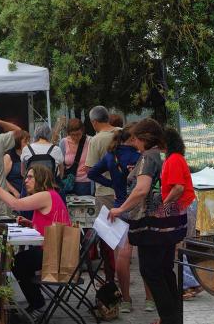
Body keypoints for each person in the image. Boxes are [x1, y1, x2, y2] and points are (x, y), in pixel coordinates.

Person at [108, 119, 190, 324]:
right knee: (164, 268)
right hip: (172, 219)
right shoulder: (166, 154)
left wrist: (121, 208)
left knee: (150, 270)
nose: (134, 143)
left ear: (145, 138)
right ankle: (174, 317)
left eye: (136, 139)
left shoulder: (148, 157)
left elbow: (142, 189)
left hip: (153, 223)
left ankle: (170, 318)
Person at [0, 164, 71, 319]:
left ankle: (38, 305)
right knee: (20, 262)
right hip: (54, 250)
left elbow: (16, 204)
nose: (25, 181)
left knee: (18, 263)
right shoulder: (48, 195)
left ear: (41, 178)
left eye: (30, 177)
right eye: (26, 177)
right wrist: (29, 223)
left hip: (56, 254)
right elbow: (47, 225)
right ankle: (35, 303)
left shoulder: (46, 195)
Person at [87, 126, 140, 312]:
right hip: (142, 207)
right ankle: (150, 300)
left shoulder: (112, 155)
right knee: (147, 254)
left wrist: (111, 183)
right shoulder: (140, 155)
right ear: (132, 138)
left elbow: (91, 173)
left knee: (121, 254)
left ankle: (125, 299)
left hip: (119, 205)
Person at [84, 106, 120, 209]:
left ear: (94, 122)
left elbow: (89, 169)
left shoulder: (96, 140)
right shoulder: (123, 132)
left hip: (105, 192)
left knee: (106, 224)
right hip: (126, 189)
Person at [58, 118, 89, 194]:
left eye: (78, 134)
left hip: (84, 182)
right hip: (67, 181)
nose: (75, 137)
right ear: (68, 133)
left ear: (82, 131)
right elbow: (60, 162)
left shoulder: (89, 141)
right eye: (72, 135)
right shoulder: (63, 142)